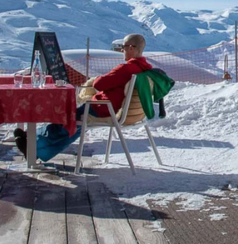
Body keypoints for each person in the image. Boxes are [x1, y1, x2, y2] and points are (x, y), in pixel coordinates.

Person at [16, 33, 153, 162]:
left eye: (123, 47)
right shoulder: (145, 68)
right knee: (73, 124)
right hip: (115, 108)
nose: (122, 50)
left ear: (131, 48)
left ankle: (33, 144)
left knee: (68, 120)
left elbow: (99, 84)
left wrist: (100, 79)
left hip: (103, 108)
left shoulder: (127, 68)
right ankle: (34, 143)